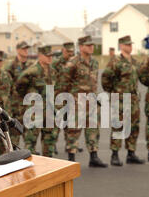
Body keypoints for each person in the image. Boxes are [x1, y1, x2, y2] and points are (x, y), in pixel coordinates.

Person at [56, 35, 107, 167]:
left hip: (92, 102)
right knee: (73, 130)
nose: (91, 47)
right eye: (88, 45)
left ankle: (94, 156)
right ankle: (71, 158)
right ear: (81, 47)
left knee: (93, 130)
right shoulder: (73, 62)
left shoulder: (94, 62)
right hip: (76, 103)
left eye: (92, 45)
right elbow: (62, 83)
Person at [102, 35, 144, 166]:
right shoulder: (115, 62)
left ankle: (131, 153)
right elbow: (106, 79)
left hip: (133, 98)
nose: (130, 47)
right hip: (119, 99)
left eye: (131, 44)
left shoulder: (135, 62)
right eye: (127, 45)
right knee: (118, 126)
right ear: (121, 46)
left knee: (134, 126)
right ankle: (115, 154)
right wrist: (114, 92)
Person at [17, 45, 58, 157]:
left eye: (51, 56)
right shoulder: (32, 72)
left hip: (49, 111)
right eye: (47, 56)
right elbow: (19, 87)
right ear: (40, 56)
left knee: (49, 141)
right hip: (34, 111)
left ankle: (48, 167)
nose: (50, 58)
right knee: (30, 141)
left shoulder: (53, 71)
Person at [51, 42, 81, 154]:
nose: (70, 54)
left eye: (72, 52)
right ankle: (52, 144)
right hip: (58, 97)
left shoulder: (75, 63)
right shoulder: (55, 64)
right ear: (63, 51)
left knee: (71, 125)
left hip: (71, 97)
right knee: (56, 125)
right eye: (68, 52)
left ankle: (71, 145)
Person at [3, 41, 34, 147]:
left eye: (27, 48)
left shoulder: (32, 65)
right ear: (18, 50)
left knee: (30, 139)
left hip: (29, 107)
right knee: (14, 139)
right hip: (15, 106)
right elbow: (6, 87)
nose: (26, 50)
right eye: (23, 49)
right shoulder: (10, 66)